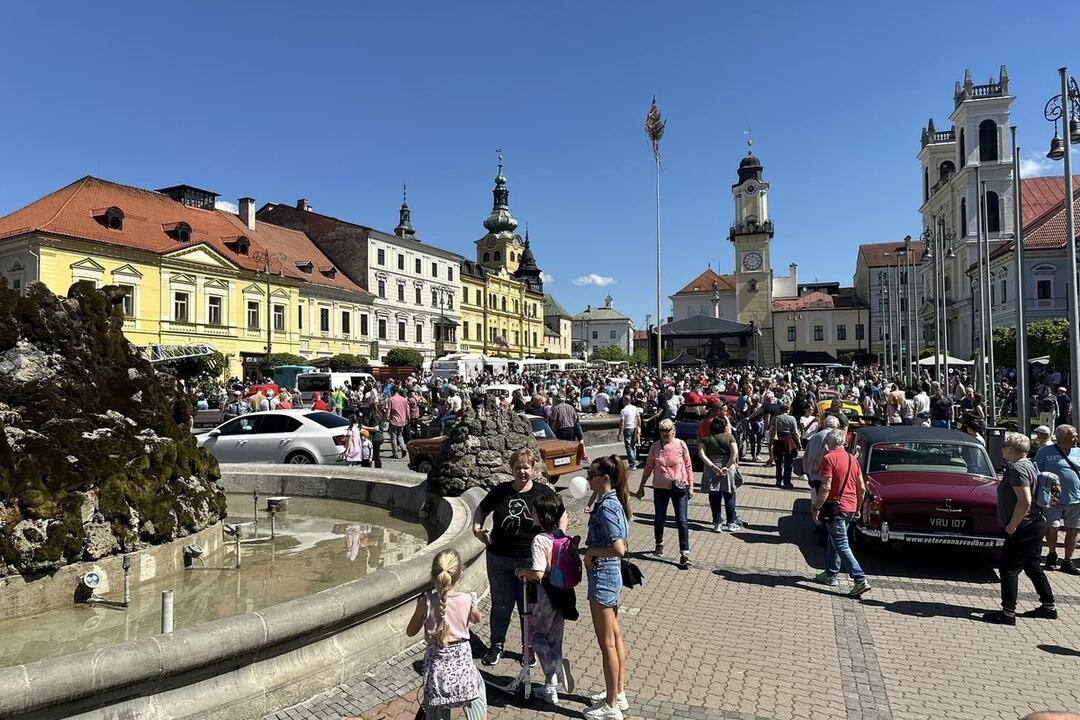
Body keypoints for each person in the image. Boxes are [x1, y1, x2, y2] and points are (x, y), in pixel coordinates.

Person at [472, 447, 564, 666]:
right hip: (499, 557)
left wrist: (557, 541)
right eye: (518, 467)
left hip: (529, 560)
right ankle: (497, 645)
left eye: (526, 467)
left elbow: (562, 514)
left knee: (528, 606)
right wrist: (477, 529)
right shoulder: (501, 491)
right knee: (501, 604)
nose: (522, 471)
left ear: (533, 469)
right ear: (511, 469)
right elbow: (481, 509)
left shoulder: (542, 492)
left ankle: (528, 647)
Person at [981, 432, 1057, 624]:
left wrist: (1012, 526)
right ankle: (1048, 606)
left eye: (1004, 447)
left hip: (1023, 526)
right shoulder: (1030, 464)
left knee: (1008, 568)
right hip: (1035, 524)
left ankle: (1008, 612)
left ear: (1010, 450)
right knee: (1032, 565)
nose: (1002, 450)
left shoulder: (1017, 469)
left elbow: (1025, 501)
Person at [405, 549, 488, 720]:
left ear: (433, 575)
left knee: (435, 707)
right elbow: (477, 618)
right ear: (460, 575)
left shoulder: (426, 602)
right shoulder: (467, 599)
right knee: (478, 690)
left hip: (437, 674)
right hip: (462, 670)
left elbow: (410, 631)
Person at [514, 493, 576, 706]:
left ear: (540, 516)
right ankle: (550, 688)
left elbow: (538, 573)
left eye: (534, 511)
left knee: (533, 635)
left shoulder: (540, 540)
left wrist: (522, 571)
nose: (531, 513)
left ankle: (555, 664)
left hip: (544, 594)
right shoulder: (560, 535)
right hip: (563, 593)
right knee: (554, 638)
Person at [583, 455, 632, 720]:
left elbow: (618, 548)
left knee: (607, 644)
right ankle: (618, 692)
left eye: (592, 475)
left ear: (605, 479)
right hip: (608, 576)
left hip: (603, 575)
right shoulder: (610, 501)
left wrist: (591, 551)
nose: (588, 479)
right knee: (615, 637)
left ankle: (611, 706)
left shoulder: (608, 507)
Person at [811, 428, 871, 597]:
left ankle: (859, 579)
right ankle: (831, 573)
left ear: (829, 442)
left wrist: (816, 507)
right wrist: (858, 507)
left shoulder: (829, 458)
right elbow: (861, 488)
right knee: (835, 540)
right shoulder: (853, 460)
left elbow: (826, 486)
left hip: (836, 506)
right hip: (850, 506)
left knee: (841, 544)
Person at [633, 418, 694, 568]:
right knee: (660, 518)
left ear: (674, 430)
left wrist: (691, 486)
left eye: (668, 430)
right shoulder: (655, 447)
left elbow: (688, 466)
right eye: (662, 431)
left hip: (679, 487)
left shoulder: (681, 444)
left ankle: (684, 553)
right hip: (660, 488)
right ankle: (659, 543)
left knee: (682, 520)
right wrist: (641, 487)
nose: (666, 433)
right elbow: (648, 468)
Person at [1034, 425, 1080, 574]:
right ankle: (1052, 554)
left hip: (1075, 499)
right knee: (1052, 528)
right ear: (1063, 438)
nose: (1076, 439)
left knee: (1072, 531)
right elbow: (1037, 472)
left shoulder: (1078, 452)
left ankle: (1067, 560)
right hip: (1052, 499)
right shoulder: (1045, 452)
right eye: (1073, 436)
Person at [699, 416, 741, 532]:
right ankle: (731, 523)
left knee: (714, 497)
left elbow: (702, 454)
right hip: (727, 468)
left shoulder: (705, 439)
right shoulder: (729, 437)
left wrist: (713, 467)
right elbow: (734, 453)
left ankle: (717, 523)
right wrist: (726, 467)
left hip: (712, 470)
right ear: (724, 427)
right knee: (729, 496)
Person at [771, 400, 801, 488]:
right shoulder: (792, 419)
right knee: (789, 462)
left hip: (778, 440)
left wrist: (771, 442)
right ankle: (787, 481)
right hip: (789, 440)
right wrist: (798, 443)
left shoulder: (776, 418)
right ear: (788, 410)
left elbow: (772, 430)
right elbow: (795, 432)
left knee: (778, 462)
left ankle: (778, 480)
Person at [362, 403, 387, 469]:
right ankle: (377, 468)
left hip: (376, 437)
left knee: (375, 455)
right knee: (375, 455)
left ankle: (377, 469)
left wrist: (365, 427)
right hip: (380, 437)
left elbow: (376, 428)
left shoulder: (374, 416)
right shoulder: (380, 415)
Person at [618, 396, 640, 468]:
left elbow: (622, 423)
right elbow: (638, 418)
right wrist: (639, 427)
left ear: (625, 401)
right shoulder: (634, 408)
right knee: (633, 445)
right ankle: (634, 460)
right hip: (634, 427)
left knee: (628, 446)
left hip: (627, 428)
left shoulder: (623, 410)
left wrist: (620, 433)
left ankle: (632, 463)